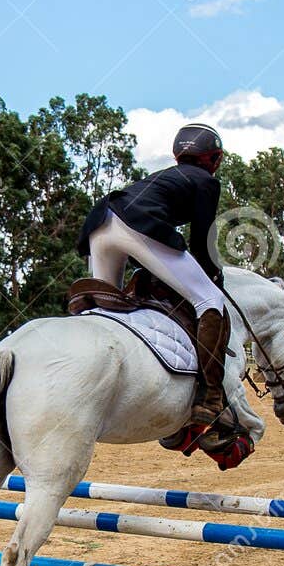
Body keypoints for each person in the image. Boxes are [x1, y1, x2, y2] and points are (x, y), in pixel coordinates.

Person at [78, 123, 231, 446]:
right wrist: (214, 277)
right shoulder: (206, 181)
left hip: (102, 224)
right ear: (214, 158)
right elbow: (203, 241)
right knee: (210, 301)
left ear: (180, 155)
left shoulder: (164, 176)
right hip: (137, 224)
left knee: (108, 310)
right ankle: (211, 398)